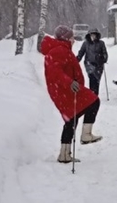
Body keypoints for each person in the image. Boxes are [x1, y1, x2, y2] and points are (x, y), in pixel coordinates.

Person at [41, 26, 103, 164]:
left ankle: (64, 154)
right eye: (72, 37)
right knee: (94, 101)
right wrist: (69, 83)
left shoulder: (62, 50)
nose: (74, 40)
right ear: (66, 38)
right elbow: (55, 72)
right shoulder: (58, 51)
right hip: (67, 90)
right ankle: (86, 135)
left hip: (67, 89)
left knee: (71, 120)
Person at [77, 28, 108, 96]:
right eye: (92, 35)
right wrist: (76, 60)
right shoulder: (85, 44)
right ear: (89, 35)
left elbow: (105, 53)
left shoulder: (101, 43)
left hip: (99, 65)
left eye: (94, 35)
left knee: (97, 80)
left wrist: (103, 58)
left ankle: (95, 95)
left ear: (97, 35)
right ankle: (91, 95)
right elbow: (81, 53)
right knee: (92, 78)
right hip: (89, 64)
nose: (93, 36)